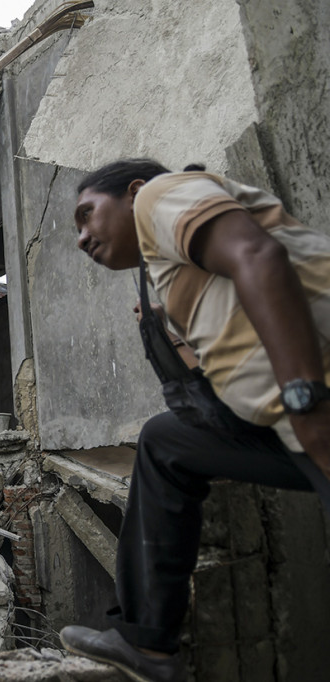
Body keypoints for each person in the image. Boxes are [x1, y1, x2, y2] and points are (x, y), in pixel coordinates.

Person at [57, 159, 330, 682]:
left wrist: (307, 402)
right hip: (294, 431)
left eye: (88, 216)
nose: (82, 238)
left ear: (133, 192)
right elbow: (226, 368)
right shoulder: (167, 272)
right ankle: (149, 645)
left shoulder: (162, 195)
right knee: (165, 441)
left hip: (316, 410)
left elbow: (258, 255)